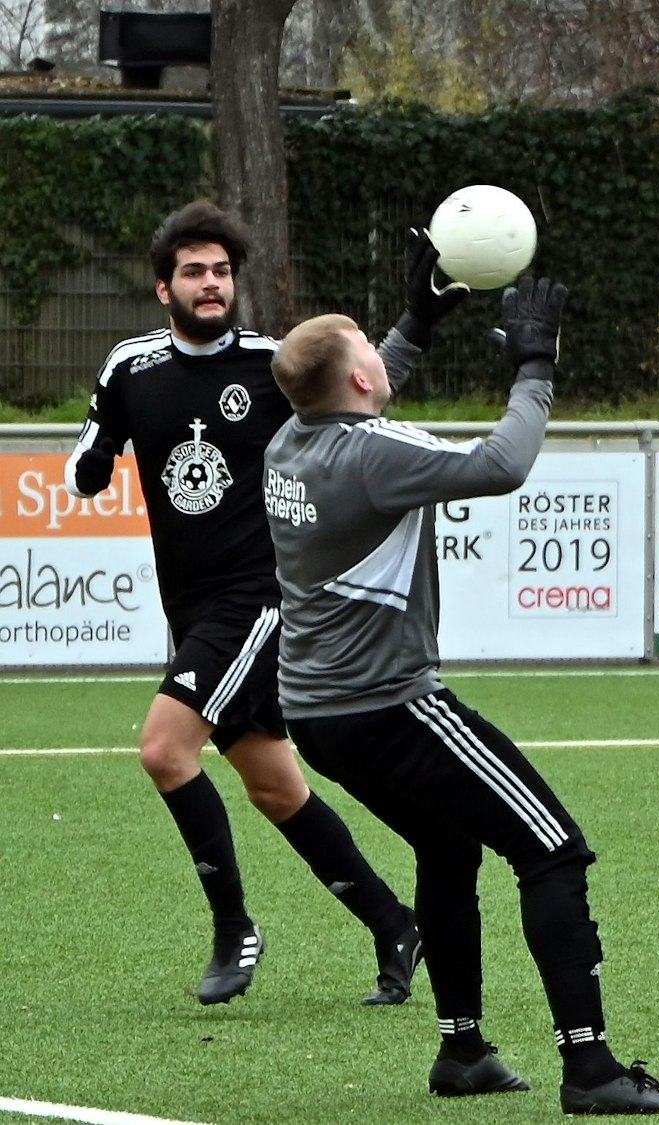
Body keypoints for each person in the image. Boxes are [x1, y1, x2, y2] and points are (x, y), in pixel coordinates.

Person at [263, 280, 659, 1113]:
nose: (375, 353)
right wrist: (535, 363)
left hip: (319, 714)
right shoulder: (370, 452)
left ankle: (462, 1050)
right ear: (356, 380)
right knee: (553, 852)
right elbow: (502, 464)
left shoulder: (292, 437)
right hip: (391, 705)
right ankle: (593, 1069)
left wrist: (417, 320)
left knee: (448, 848)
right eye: (366, 344)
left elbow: (352, 384)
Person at [63, 201, 431, 1007]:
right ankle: (394, 921)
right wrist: (90, 465)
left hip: (259, 600)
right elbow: (87, 463)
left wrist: (417, 318)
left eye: (221, 271)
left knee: (165, 749)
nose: (210, 284)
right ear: (164, 287)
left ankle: (234, 926)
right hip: (191, 611)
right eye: (194, 271)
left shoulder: (272, 364)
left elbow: (367, 383)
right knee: (276, 787)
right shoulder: (130, 368)